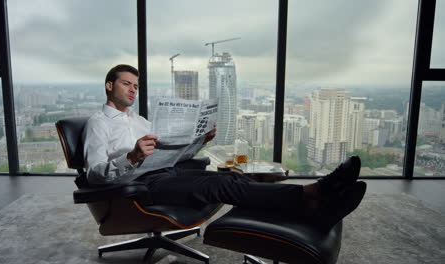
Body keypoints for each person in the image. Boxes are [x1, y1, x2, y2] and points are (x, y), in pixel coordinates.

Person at [82, 64, 367, 231]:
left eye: (136, 85)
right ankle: (313, 193)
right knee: (222, 188)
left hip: (168, 173)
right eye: (126, 84)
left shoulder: (141, 121)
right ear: (109, 86)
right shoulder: (98, 123)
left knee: (231, 177)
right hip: (141, 187)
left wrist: (198, 141)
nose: (133, 90)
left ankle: (310, 209)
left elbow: (170, 155)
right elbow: (94, 175)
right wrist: (131, 157)